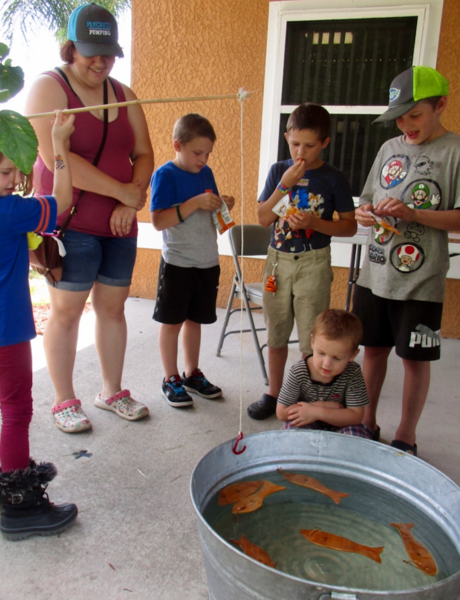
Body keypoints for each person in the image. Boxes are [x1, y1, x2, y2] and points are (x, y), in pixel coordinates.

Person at [25, 3, 154, 433]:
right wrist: (125, 193)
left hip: (119, 223)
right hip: (70, 221)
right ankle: (63, 400)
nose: (100, 61)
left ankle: (111, 391)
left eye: (108, 52)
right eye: (90, 51)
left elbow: (144, 153)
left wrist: (130, 203)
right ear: (71, 49)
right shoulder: (49, 88)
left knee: (113, 309)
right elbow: (53, 156)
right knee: (66, 311)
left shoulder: (124, 93)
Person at [0, 111, 79, 540]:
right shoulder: (4, 211)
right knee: (16, 411)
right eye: (6, 171)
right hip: (4, 335)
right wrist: (59, 147)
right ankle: (21, 508)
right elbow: (61, 202)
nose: (14, 178)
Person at [352, 66, 460, 456]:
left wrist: (415, 215)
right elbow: (366, 198)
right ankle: (365, 421)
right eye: (400, 117)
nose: (406, 124)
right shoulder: (388, 149)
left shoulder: (454, 151)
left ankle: (406, 435)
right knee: (373, 351)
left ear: (441, 105)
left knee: (415, 359)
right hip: (374, 274)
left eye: (415, 115)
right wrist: (364, 212)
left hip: (421, 279)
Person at [247, 103, 357, 420]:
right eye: (295, 144)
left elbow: (349, 225)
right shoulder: (278, 171)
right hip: (277, 264)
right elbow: (263, 217)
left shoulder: (334, 178)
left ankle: (313, 400)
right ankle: (274, 392)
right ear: (286, 138)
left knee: (314, 334)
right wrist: (284, 184)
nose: (301, 152)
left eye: (309, 146)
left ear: (325, 143)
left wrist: (315, 224)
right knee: (276, 329)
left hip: (313, 263)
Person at [150, 113, 235, 407]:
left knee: (195, 320)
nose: (203, 159)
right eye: (198, 152)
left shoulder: (206, 173)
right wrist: (195, 203)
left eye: (208, 153)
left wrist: (220, 205)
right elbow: (158, 220)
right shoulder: (165, 175)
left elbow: (208, 211)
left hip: (207, 260)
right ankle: (170, 378)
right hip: (178, 262)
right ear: (178, 145)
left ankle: (191, 373)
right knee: (172, 322)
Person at [277, 309, 371, 437]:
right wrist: (320, 406)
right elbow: (282, 413)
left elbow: (356, 416)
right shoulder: (299, 372)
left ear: (352, 355)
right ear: (312, 342)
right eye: (321, 353)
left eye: (337, 358)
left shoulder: (352, 373)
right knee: (291, 435)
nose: (326, 363)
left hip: (341, 424)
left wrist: (318, 412)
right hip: (305, 421)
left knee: (358, 440)